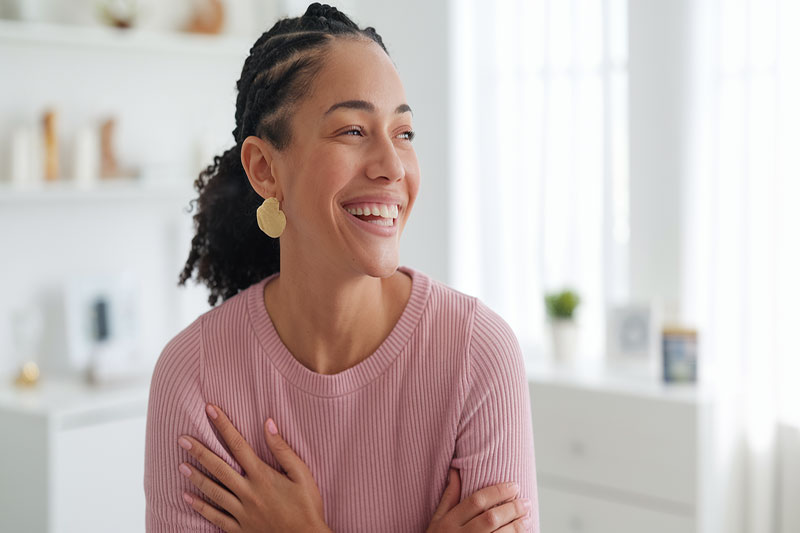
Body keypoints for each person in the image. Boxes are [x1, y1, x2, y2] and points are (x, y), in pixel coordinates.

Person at [144, 3, 539, 532]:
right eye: (353, 131)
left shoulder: (476, 355)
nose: (392, 166)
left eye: (403, 133)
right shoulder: (194, 378)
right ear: (265, 169)